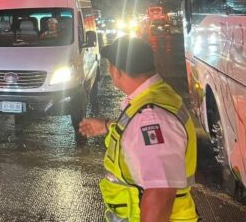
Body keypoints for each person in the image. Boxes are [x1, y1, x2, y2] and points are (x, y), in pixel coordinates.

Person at [78, 36, 197, 221]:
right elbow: (141, 138)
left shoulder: (151, 118)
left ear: (117, 71)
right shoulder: (156, 95)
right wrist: (108, 126)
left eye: (109, 66)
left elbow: (160, 194)